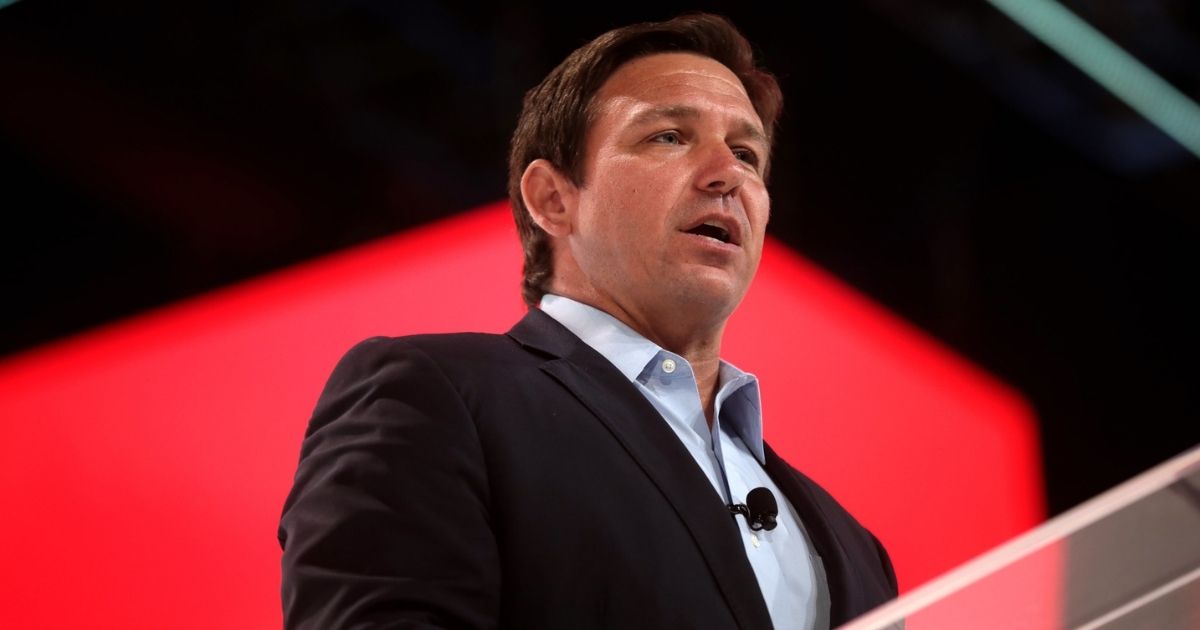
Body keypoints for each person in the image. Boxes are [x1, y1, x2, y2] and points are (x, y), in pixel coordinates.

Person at [279, 12, 897, 630]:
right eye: (668, 137)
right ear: (553, 197)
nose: (726, 173)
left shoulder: (857, 550)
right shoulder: (436, 396)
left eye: (746, 153)